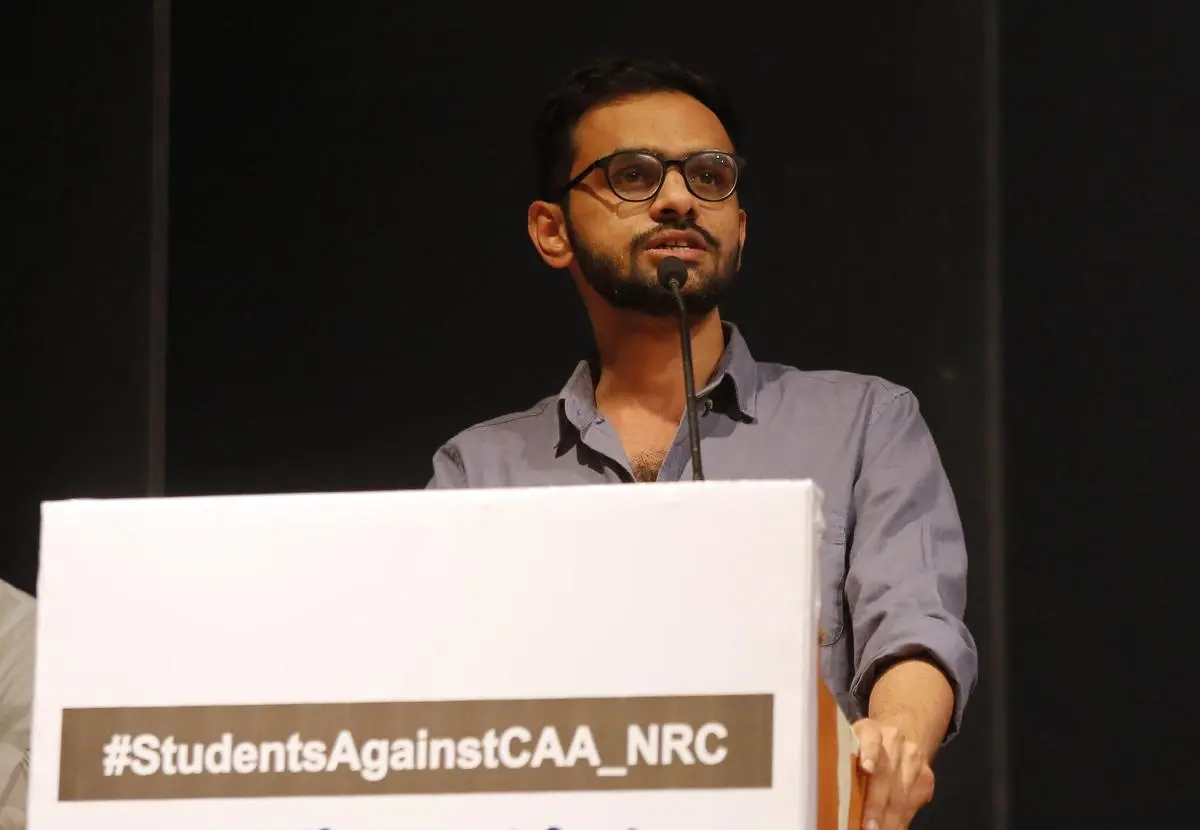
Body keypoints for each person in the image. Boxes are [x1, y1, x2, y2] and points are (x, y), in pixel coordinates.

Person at [426, 55, 977, 830]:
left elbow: (915, 627)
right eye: (633, 175)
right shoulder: (479, 472)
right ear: (552, 230)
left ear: (739, 231)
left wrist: (897, 737)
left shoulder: (864, 422)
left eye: (710, 178)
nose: (680, 199)